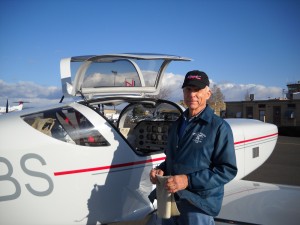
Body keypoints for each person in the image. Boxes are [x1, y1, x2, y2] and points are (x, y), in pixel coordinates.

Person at [149, 70, 237, 225]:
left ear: (208, 93)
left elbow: (227, 170)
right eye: (188, 89)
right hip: (171, 199)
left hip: (198, 205)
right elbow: (173, 159)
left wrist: (188, 181)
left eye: (197, 90)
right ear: (183, 93)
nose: (192, 94)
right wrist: (161, 170)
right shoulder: (177, 125)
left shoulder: (219, 127)